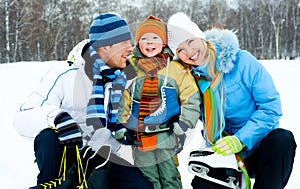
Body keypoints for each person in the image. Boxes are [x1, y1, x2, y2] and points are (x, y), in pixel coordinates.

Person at [14, 13, 153, 189]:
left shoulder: (126, 79)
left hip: (104, 155)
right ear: (105, 46)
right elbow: (22, 118)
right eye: (124, 43)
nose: (130, 48)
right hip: (68, 153)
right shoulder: (66, 75)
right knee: (48, 137)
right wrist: (57, 118)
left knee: (142, 187)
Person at [167, 12, 297, 189]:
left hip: (260, 147)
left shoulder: (241, 61)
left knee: (283, 139)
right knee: (202, 186)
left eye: (190, 42)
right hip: (223, 150)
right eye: (180, 50)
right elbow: (179, 113)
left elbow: (271, 107)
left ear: (200, 37)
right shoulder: (189, 80)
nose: (189, 52)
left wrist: (240, 140)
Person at [116, 15, 201, 189]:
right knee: (148, 176)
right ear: (138, 44)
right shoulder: (131, 69)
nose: (149, 43)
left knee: (169, 175)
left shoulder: (175, 69)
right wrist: (121, 125)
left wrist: (184, 123)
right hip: (140, 136)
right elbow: (122, 99)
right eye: (144, 39)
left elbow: (190, 98)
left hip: (167, 134)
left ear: (163, 43)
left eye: (155, 38)